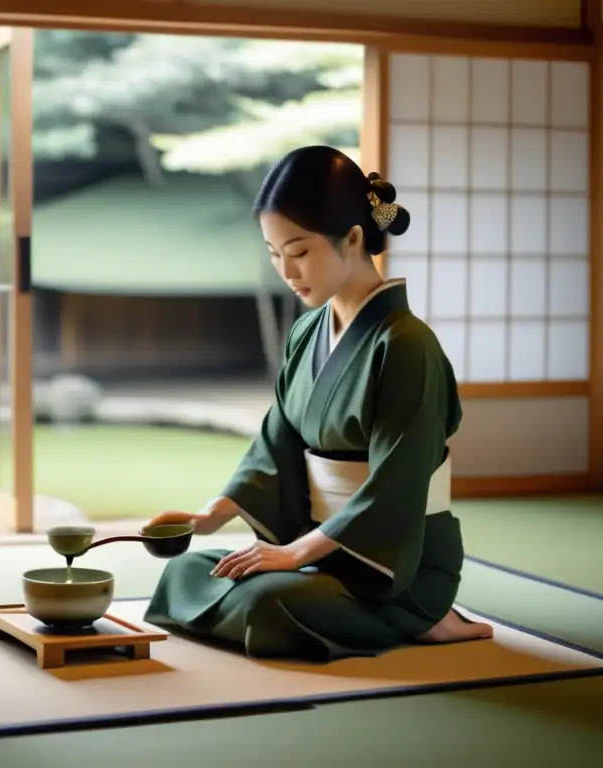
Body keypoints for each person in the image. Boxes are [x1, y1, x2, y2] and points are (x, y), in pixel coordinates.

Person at [142, 145, 493, 662]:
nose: (287, 270)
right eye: (274, 254)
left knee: (266, 603)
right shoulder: (308, 331)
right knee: (187, 573)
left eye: (300, 251)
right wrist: (208, 517)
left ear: (353, 239)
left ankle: (428, 614)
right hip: (318, 548)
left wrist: (292, 554)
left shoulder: (406, 344)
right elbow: (278, 437)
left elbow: (397, 483)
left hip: (396, 561)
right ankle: (322, 588)